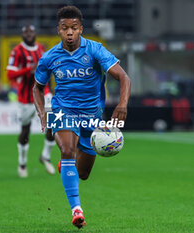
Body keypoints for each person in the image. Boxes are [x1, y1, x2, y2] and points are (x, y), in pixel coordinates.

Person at [33, 6, 131, 229]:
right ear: (58, 30)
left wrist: (122, 104)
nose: (69, 32)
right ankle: (77, 210)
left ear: (81, 29)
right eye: (65, 28)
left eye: (74, 28)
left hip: (92, 116)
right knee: (67, 149)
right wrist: (43, 115)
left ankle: (65, 164)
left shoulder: (95, 50)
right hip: (62, 110)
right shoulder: (49, 57)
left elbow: (124, 78)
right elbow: (37, 88)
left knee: (83, 174)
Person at [7, 24, 56, 178]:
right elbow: (10, 74)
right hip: (26, 97)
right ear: (22, 35)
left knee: (53, 124)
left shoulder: (41, 49)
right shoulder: (17, 51)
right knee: (25, 131)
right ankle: (22, 163)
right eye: (26, 32)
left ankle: (45, 157)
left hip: (44, 93)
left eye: (31, 31)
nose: (29, 34)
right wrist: (29, 69)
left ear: (35, 33)